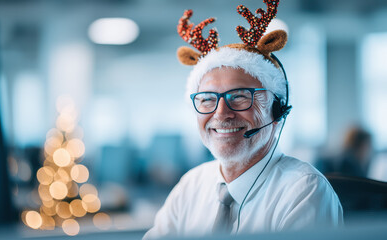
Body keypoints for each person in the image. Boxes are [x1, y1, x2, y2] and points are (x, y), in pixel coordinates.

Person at [144, 1, 343, 238]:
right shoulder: (191, 185)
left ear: (278, 110)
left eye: (239, 97)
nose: (220, 113)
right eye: (207, 99)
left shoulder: (303, 191)